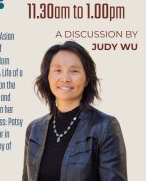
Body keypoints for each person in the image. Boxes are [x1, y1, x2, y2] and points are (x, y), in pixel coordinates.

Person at [22, 41, 127, 181]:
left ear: (86, 79)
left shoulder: (105, 126)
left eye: (74, 71)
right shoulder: (34, 129)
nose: (65, 79)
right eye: (58, 70)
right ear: (47, 77)